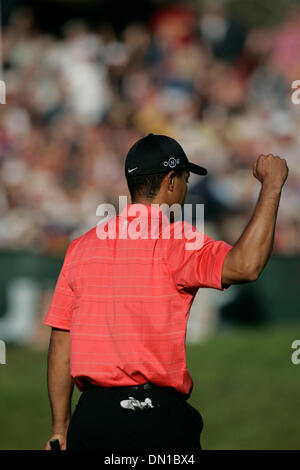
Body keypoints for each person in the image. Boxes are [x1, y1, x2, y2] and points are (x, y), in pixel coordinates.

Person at [44, 133, 288, 451]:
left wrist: (60, 429)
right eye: (185, 179)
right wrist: (271, 186)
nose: (185, 190)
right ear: (171, 181)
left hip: (90, 420)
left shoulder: (81, 247)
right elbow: (246, 266)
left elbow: (61, 343)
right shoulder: (176, 240)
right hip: (153, 419)